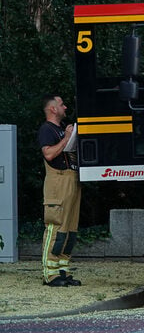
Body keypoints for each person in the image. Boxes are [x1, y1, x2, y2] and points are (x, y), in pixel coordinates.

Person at [38, 95, 82, 287]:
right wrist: (66, 138)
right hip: (58, 181)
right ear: (53, 109)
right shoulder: (47, 129)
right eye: (61, 104)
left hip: (71, 178)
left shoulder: (60, 129)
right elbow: (48, 154)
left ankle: (63, 270)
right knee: (56, 225)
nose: (65, 107)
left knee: (70, 228)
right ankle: (50, 274)